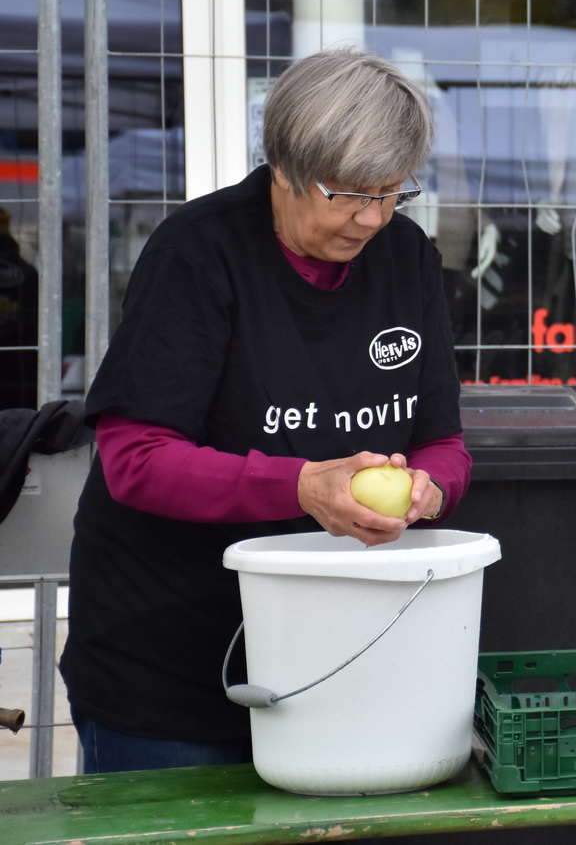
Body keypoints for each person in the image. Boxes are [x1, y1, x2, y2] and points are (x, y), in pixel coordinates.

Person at [61, 47, 473, 773]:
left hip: (338, 656)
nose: (370, 218)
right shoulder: (198, 253)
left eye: (390, 192)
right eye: (346, 193)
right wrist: (300, 485)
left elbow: (443, 440)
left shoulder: (406, 258)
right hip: (170, 663)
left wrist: (428, 491)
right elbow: (134, 460)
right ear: (282, 165)